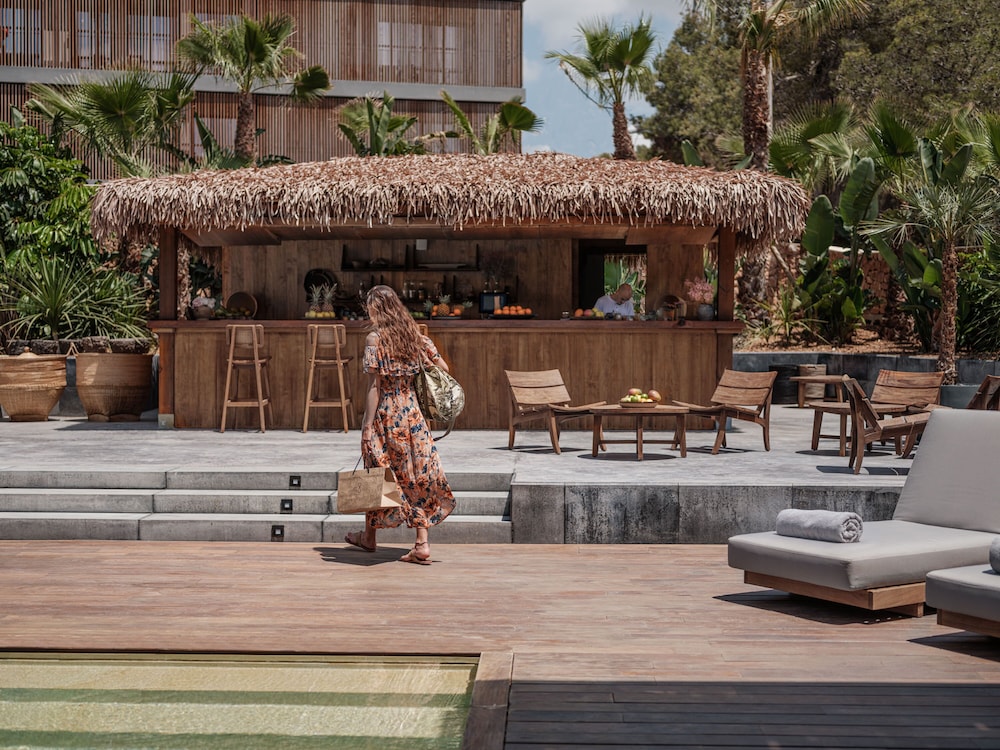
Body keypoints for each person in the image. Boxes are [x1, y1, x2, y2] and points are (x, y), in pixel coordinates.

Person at [344, 285, 456, 565]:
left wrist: (366, 426)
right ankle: (421, 543)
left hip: (387, 415)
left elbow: (374, 387)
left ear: (376, 310)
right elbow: (444, 370)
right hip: (414, 415)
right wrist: (422, 364)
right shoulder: (416, 338)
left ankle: (370, 537)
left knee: (380, 472)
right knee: (416, 474)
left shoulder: (375, 340)